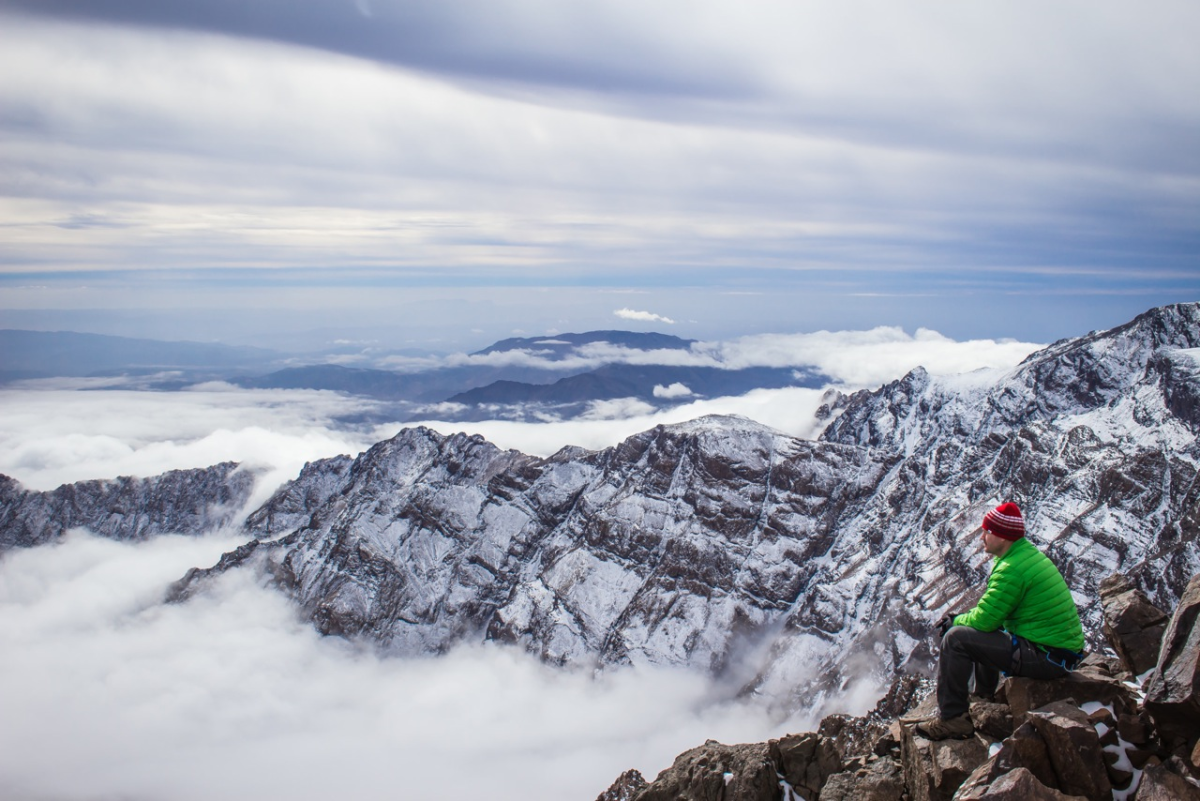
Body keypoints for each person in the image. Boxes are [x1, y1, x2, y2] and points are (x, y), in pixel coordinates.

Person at [915, 502, 1086, 740]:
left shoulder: (1011, 568)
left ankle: (953, 719)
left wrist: (955, 622)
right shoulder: (1023, 556)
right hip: (1056, 652)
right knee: (978, 631)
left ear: (1003, 537)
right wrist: (963, 620)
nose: (982, 537)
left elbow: (985, 621)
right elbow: (992, 616)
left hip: (1048, 657)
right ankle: (983, 698)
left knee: (956, 639)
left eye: (987, 532)